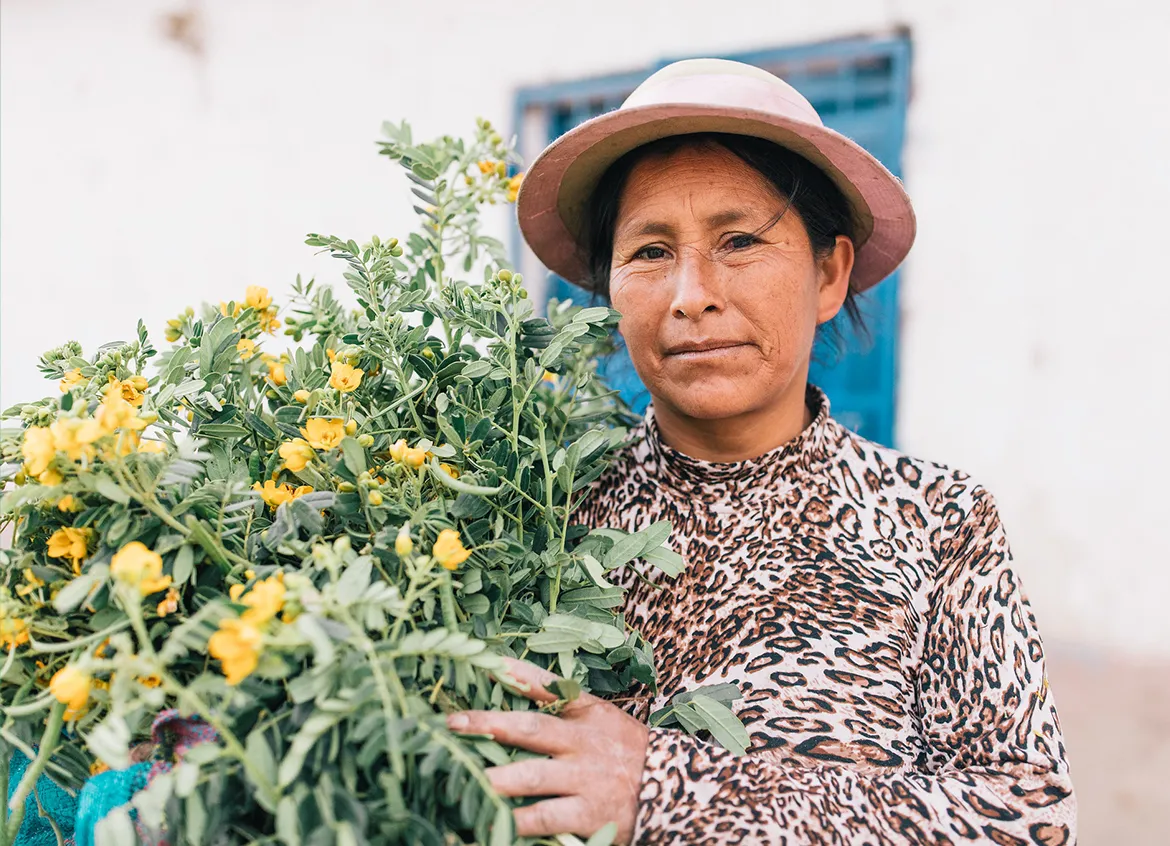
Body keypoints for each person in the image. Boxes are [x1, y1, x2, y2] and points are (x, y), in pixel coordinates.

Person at [446, 59, 1077, 845]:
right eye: (648, 252)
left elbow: (1026, 817)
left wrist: (664, 786)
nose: (690, 294)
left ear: (828, 273)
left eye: (739, 240)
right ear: (608, 289)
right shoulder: (544, 510)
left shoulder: (938, 523)